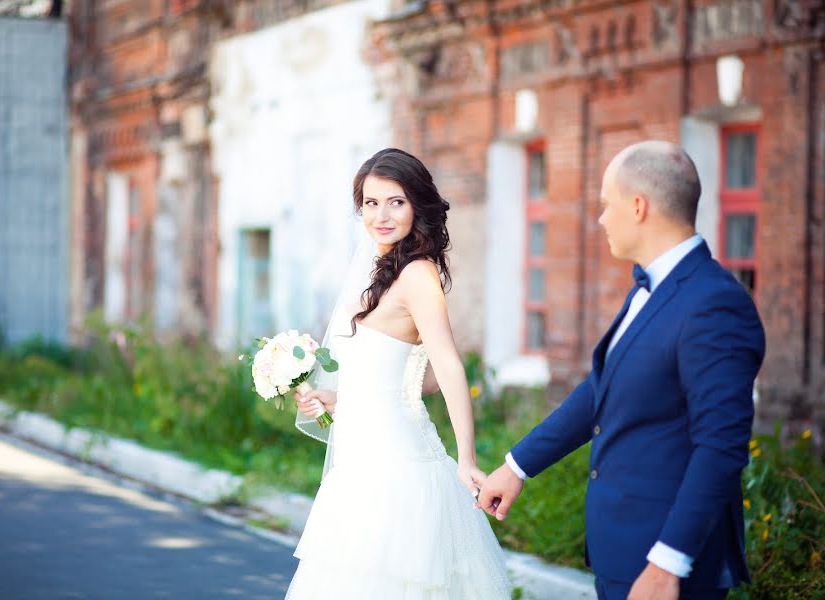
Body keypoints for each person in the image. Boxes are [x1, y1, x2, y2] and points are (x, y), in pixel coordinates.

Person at [478, 141, 765, 600]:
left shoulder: (715, 304)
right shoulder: (649, 289)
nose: (601, 219)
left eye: (606, 205)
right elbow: (601, 389)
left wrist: (668, 563)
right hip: (621, 552)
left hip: (667, 565)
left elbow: (721, 447)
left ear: (638, 207)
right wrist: (516, 467)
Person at [285, 148, 511, 599]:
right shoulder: (376, 273)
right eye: (371, 203)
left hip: (400, 470)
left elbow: (447, 364)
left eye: (396, 202)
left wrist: (466, 457)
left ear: (417, 206)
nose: (381, 215)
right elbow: (374, 382)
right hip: (359, 469)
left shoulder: (417, 275)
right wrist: (328, 400)